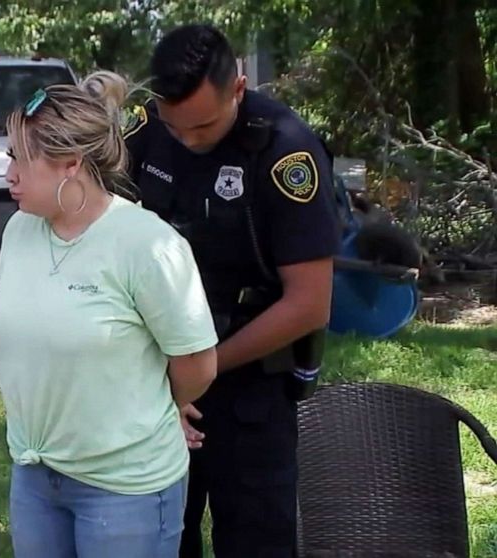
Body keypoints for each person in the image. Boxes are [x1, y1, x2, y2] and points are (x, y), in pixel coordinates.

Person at [124, 24, 341, 557]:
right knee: (159, 539)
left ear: (238, 90)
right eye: (178, 129)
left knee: (255, 541)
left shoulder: (285, 151)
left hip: (247, 380)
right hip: (157, 379)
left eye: (203, 126)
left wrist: (203, 369)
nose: (189, 140)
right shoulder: (145, 131)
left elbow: (309, 302)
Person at [0, 71, 219, 558]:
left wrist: (158, 405)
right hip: (35, 474)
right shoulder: (18, 232)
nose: (8, 174)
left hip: (125, 486)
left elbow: (196, 363)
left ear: (70, 164)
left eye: (21, 160)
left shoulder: (147, 245)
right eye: (10, 156)